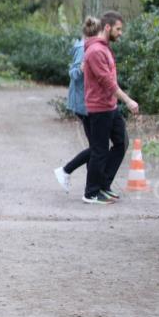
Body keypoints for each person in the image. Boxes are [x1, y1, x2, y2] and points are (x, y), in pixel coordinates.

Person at [81, 11, 139, 205]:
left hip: (110, 106)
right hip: (99, 108)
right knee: (99, 150)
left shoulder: (104, 48)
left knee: (121, 142)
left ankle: (103, 185)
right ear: (107, 27)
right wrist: (128, 100)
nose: (120, 33)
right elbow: (107, 82)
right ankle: (91, 193)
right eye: (118, 29)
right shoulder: (96, 51)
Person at [53, 16, 102, 193]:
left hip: (87, 102)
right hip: (84, 103)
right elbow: (73, 73)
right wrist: (81, 69)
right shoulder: (83, 48)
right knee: (97, 147)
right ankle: (66, 170)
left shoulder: (89, 46)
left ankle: (93, 185)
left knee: (95, 146)